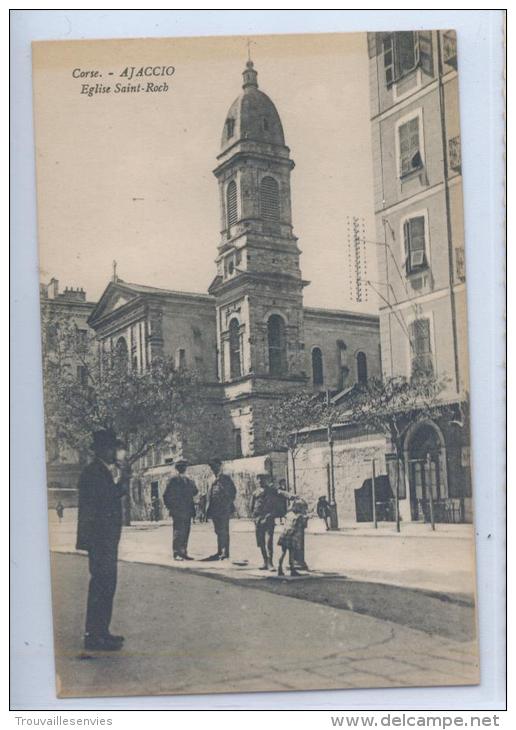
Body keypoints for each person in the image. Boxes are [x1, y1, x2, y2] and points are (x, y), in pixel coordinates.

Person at [76, 428, 131, 651]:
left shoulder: (103, 470)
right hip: (99, 539)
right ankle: (93, 635)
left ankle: (102, 631)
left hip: (106, 538)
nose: (115, 452)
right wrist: (122, 481)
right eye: (112, 448)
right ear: (101, 450)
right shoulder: (93, 472)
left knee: (107, 584)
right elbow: (103, 500)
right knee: (101, 584)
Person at [163, 459, 198, 561]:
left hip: (187, 510)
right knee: (178, 531)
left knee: (186, 531)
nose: (184, 468)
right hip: (178, 510)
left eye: (185, 466)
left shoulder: (188, 480)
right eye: (182, 466)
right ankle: (176, 553)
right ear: (178, 468)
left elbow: (195, 491)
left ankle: (184, 552)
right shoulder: (173, 480)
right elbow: (166, 495)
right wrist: (171, 507)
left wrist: (192, 482)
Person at [204, 458, 236, 560]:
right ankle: (219, 551)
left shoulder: (225, 478)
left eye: (215, 466)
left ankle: (225, 552)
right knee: (218, 530)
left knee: (224, 530)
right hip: (214, 508)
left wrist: (227, 502)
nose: (213, 468)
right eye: (211, 467)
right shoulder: (210, 479)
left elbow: (233, 492)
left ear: (220, 466)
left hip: (223, 508)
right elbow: (208, 493)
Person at [250, 473, 277, 570]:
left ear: (266, 480)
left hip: (268, 519)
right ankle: (265, 561)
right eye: (259, 479)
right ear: (256, 481)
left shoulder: (271, 491)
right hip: (258, 519)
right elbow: (252, 507)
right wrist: (254, 518)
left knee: (269, 541)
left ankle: (270, 563)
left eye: (263, 479)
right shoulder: (255, 493)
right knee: (261, 542)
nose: (260, 481)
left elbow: (275, 506)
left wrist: (270, 515)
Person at [277, 499, 309, 577]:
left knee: (283, 553)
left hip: (284, 535)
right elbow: (302, 525)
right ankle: (292, 570)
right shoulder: (299, 516)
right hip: (292, 536)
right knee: (292, 553)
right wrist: (306, 518)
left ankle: (279, 568)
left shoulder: (288, 514)